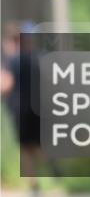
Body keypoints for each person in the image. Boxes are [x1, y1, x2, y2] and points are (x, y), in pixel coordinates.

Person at [1, 21, 45, 197]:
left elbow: (6, 85)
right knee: (39, 146)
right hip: (39, 109)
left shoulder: (14, 61)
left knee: (26, 149)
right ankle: (54, 172)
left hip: (20, 111)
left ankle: (33, 184)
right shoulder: (40, 57)